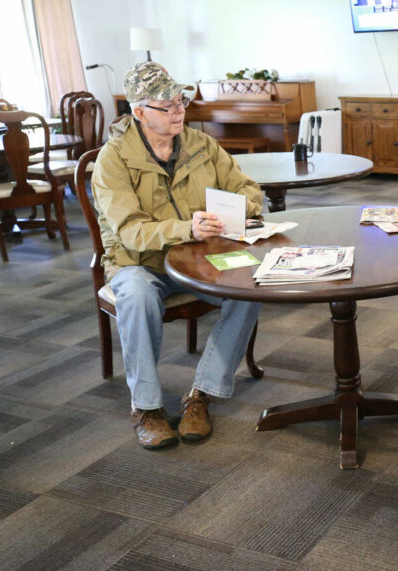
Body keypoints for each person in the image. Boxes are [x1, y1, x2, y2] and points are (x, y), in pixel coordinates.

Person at [91, 61, 264, 449]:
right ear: (138, 112)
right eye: (165, 106)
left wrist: (239, 208)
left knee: (251, 288)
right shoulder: (113, 159)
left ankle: (201, 395)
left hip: (199, 259)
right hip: (140, 264)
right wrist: (187, 227)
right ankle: (147, 408)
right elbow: (130, 231)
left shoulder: (202, 145)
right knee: (135, 295)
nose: (177, 111)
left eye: (180, 102)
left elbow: (249, 188)